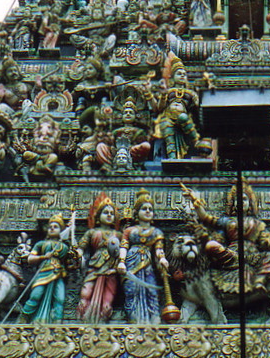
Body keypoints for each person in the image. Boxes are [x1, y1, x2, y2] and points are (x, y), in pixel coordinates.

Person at [182, 183, 270, 295]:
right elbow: (205, 218)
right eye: (238, 199)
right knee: (211, 245)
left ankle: (259, 281)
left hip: (252, 256)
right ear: (233, 203)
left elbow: (268, 242)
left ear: (250, 204)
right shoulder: (227, 221)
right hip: (233, 255)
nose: (241, 202)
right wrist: (194, 200)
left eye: (244, 199)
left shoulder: (257, 224)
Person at [117, 189, 168, 324]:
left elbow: (159, 249)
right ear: (137, 213)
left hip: (147, 265)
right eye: (144, 209)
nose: (147, 211)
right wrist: (121, 262)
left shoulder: (156, 232)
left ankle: (154, 319)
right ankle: (133, 318)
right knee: (131, 290)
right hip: (131, 262)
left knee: (151, 291)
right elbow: (123, 246)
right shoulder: (129, 231)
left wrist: (162, 258)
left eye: (150, 209)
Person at [147, 52, 203, 159]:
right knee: (168, 133)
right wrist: (163, 94)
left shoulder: (190, 93)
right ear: (173, 77)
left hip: (183, 116)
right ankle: (172, 158)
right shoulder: (169, 91)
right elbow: (159, 108)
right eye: (179, 73)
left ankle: (196, 141)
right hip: (168, 116)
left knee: (183, 117)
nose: (182, 75)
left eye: (184, 74)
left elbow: (198, 107)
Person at [77, 194, 122, 323]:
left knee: (108, 299)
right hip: (94, 265)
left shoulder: (118, 235)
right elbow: (82, 246)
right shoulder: (91, 232)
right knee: (86, 292)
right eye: (105, 212)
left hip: (112, 267)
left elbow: (123, 251)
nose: (109, 215)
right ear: (97, 216)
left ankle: (103, 319)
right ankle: (83, 318)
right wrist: (77, 254)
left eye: (111, 213)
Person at [22, 214, 72, 323]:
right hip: (43, 272)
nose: (52, 228)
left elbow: (70, 264)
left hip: (58, 273)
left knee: (60, 299)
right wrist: (44, 257)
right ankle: (23, 319)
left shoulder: (65, 247)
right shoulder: (41, 244)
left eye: (56, 226)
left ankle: (57, 323)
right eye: (50, 227)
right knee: (36, 295)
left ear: (62, 230)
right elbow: (30, 259)